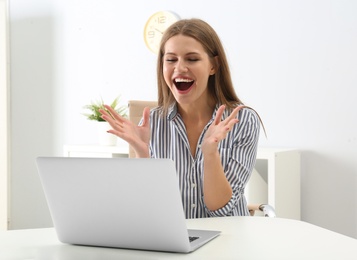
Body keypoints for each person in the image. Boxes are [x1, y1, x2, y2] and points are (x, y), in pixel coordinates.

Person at [100, 18, 261, 218]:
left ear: (214, 65)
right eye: (171, 59)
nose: (179, 68)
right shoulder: (153, 123)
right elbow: (150, 208)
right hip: (172, 242)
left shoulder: (242, 120)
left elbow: (220, 208)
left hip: (227, 241)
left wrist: (210, 153)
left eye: (192, 59)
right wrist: (143, 155)